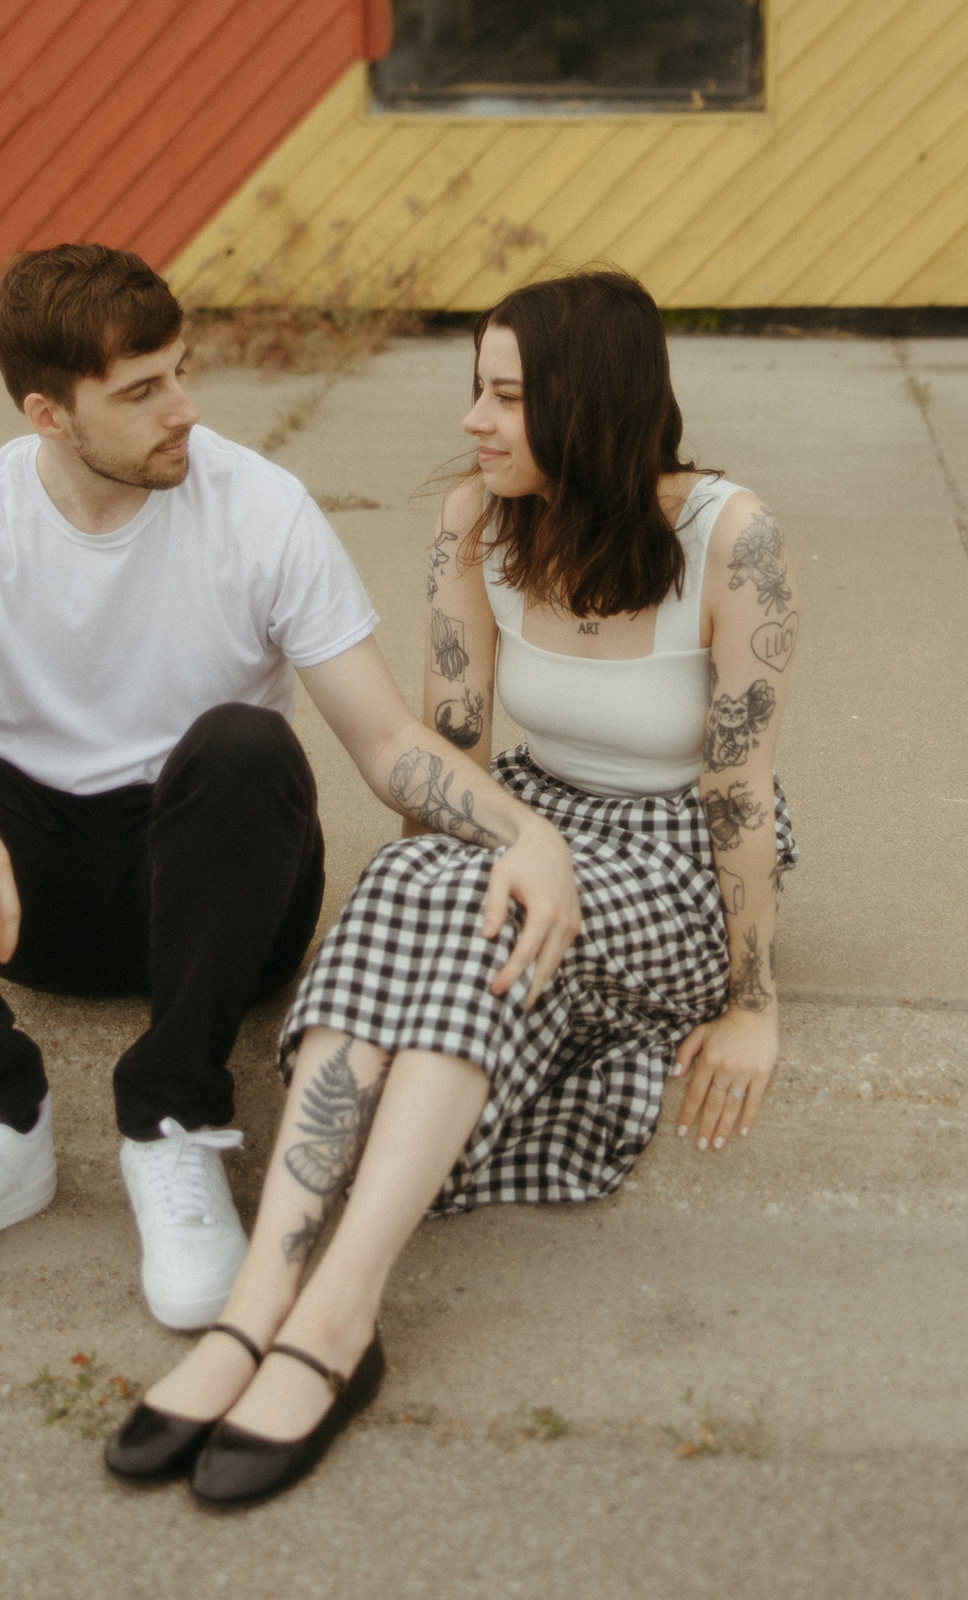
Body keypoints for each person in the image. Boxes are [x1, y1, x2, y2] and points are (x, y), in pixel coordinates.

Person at [0, 243, 578, 1334]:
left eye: (179, 370)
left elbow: (383, 739)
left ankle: (173, 1121)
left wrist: (524, 832)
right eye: (139, 392)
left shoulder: (258, 508)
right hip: (29, 900)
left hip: (219, 886)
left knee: (242, 742)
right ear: (49, 414)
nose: (181, 408)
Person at [107, 269, 799, 1507]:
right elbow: (441, 780)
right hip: (534, 816)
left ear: (589, 406)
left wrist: (753, 999)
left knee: (437, 888)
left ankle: (330, 1316)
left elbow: (738, 789)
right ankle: (265, 1307)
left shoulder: (730, 538)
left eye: (506, 397)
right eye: (473, 390)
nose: (473, 422)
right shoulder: (482, 520)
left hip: (674, 857)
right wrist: (457, 572)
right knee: (430, 871)